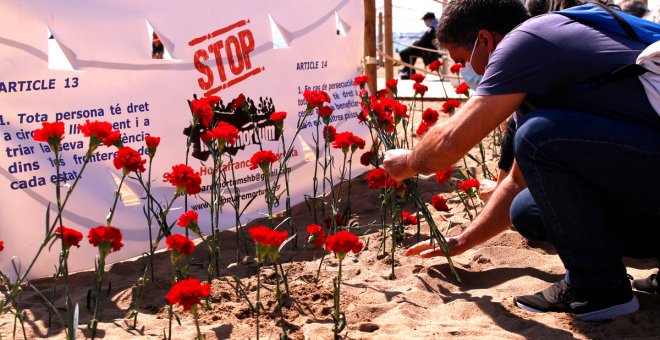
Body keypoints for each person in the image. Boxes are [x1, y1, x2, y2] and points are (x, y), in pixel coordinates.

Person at [383, 0, 660, 321]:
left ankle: (598, 290)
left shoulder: (524, 42)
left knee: (538, 136)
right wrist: (461, 242)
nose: (463, 71)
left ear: (485, 40)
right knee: (527, 209)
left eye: (461, 61)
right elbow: (516, 182)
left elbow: (449, 144)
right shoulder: (548, 53)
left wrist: (408, 161)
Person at [398, 12, 440, 80]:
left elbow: (423, 42)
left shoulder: (432, 29)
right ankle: (409, 72)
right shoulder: (436, 27)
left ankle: (409, 72)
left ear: (430, 20)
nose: (424, 22)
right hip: (427, 50)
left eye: (425, 20)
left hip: (426, 51)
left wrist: (415, 44)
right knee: (410, 53)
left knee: (403, 53)